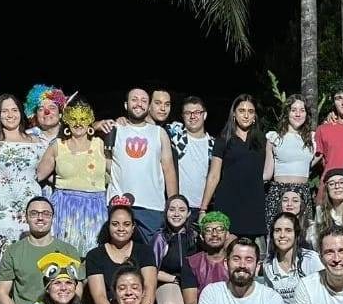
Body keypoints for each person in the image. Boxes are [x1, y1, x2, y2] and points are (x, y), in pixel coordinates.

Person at [0, 196, 82, 304]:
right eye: (34, 213)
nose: (40, 218)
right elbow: (2, 292)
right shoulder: (13, 251)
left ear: (52, 217)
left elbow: (77, 287)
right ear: (26, 218)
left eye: (46, 213)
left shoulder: (68, 250)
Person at [35, 100, 108, 256]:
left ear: (90, 120)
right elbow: (38, 175)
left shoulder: (99, 143)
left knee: (92, 255)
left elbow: (118, 170)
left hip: (94, 209)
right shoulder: (57, 145)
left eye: (83, 118)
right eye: (74, 118)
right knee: (64, 255)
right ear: (67, 121)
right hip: (64, 207)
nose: (78, 123)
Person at [107, 87, 177, 244]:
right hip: (120, 205)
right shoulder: (114, 129)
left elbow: (169, 170)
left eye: (144, 101)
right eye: (134, 100)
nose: (139, 104)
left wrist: (173, 204)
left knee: (149, 258)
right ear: (126, 105)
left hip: (152, 208)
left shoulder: (159, 133)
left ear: (149, 106)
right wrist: (98, 124)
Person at [0, 93, 46, 264]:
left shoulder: (37, 141)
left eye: (14, 110)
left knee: (31, 255)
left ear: (21, 112)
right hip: (0, 208)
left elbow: (43, 171)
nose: (10, 115)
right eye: (4, 111)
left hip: (30, 207)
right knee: (4, 257)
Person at [200, 94, 268, 240]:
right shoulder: (223, 140)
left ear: (255, 116)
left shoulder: (263, 141)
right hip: (228, 204)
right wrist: (203, 208)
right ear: (234, 114)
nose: (246, 115)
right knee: (227, 251)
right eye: (241, 111)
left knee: (249, 254)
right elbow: (213, 175)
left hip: (253, 206)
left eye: (250, 111)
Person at [85, 197, 158, 304]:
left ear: (133, 227)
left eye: (126, 224)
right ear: (108, 226)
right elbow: (99, 296)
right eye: (115, 224)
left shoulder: (145, 252)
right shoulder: (95, 255)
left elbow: (149, 288)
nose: (121, 229)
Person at [260, 211, 323, 304]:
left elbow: (325, 296)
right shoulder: (268, 265)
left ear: (296, 234)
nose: (282, 235)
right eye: (277, 230)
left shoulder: (311, 259)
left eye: (288, 230)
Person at [264, 94, 316, 236]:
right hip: (278, 193)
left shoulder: (312, 139)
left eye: (302, 110)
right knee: (276, 237)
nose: (298, 114)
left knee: (303, 237)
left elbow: (313, 162)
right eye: (293, 110)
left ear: (307, 114)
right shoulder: (274, 137)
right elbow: (268, 173)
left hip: (302, 193)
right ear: (287, 113)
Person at [166, 96, 214, 223]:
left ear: (204, 115)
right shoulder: (174, 137)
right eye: (188, 113)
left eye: (197, 112)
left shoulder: (214, 145)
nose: (192, 116)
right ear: (183, 116)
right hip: (179, 209)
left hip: (204, 209)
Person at [152, 195, 200, 304]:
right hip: (171, 281)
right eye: (172, 209)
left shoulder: (196, 235)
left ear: (189, 213)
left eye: (182, 210)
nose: (176, 214)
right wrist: (173, 278)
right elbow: (151, 270)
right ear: (166, 212)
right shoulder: (160, 238)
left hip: (193, 283)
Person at [188, 211, 231, 290]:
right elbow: (191, 301)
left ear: (227, 235)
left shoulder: (235, 260)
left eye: (220, 229)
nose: (214, 234)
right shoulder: (192, 263)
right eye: (208, 230)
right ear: (201, 236)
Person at [315, 168, 343, 234]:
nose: (337, 186)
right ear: (327, 188)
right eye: (331, 184)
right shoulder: (320, 211)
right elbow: (316, 239)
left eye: (342, 182)